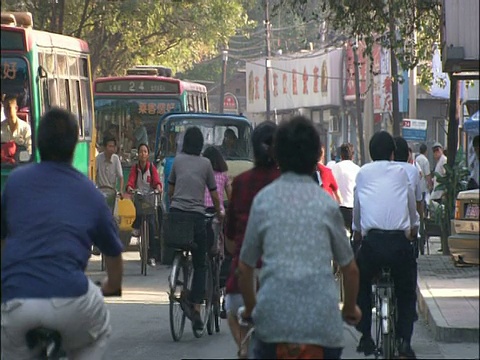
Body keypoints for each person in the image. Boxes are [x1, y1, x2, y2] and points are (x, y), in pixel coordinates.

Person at [1, 107, 123, 359]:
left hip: (16, 302)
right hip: (72, 301)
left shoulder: (15, 182)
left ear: (38, 142)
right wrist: (111, 285)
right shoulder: (90, 192)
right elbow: (113, 253)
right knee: (99, 332)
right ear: (73, 146)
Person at [238, 116, 361, 359]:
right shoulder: (326, 204)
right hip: (322, 327)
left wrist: (252, 308)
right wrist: (349, 308)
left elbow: (244, 268)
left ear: (278, 155)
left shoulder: (264, 200)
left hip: (273, 326)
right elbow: (350, 270)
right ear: (316, 156)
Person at [353, 131, 418, 358]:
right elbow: (410, 203)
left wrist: (357, 232)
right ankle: (404, 342)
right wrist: (414, 227)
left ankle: (366, 336)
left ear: (371, 153)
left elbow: (358, 204)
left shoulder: (363, 173)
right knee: (407, 291)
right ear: (393, 153)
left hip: (372, 244)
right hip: (399, 243)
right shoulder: (401, 172)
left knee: (360, 284)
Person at [224, 121, 280, 358]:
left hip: (242, 283)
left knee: (230, 308)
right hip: (280, 283)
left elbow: (229, 241)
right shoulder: (287, 182)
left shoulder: (241, 183)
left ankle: (244, 347)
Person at [168, 126, 224, 331]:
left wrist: (175, 204)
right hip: (197, 218)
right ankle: (196, 307)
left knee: (179, 245)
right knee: (201, 262)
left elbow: (171, 189)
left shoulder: (177, 160)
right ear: (200, 145)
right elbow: (215, 195)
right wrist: (220, 212)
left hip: (176, 217)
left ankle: (176, 276)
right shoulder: (206, 163)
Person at [126, 143, 162, 267]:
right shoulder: (135, 168)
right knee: (139, 214)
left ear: (148, 154)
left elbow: (157, 181)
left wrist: (158, 188)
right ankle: (136, 228)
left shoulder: (152, 168)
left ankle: (152, 255)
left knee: (152, 225)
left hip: (150, 198)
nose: (143, 154)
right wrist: (130, 188)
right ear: (138, 154)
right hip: (140, 198)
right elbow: (130, 181)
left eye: (145, 151)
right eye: (141, 151)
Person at [203, 146, 232, 254]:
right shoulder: (223, 176)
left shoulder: (202, 175)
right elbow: (230, 196)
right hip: (216, 211)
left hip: (201, 209)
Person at [331, 142, 361, 239]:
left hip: (338, 208)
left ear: (341, 155)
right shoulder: (358, 170)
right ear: (353, 155)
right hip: (353, 209)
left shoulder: (334, 168)